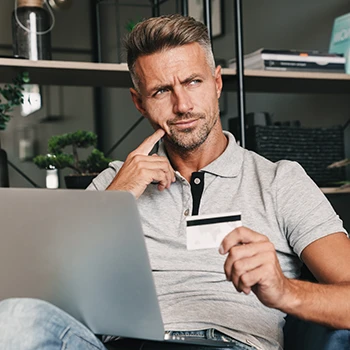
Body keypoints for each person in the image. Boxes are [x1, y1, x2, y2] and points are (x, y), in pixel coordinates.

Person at [0, 14, 349, 350]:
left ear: (217, 82)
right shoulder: (113, 183)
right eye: (161, 91)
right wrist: (117, 198)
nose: (182, 105)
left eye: (193, 82)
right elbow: (45, 296)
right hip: (119, 345)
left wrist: (285, 290)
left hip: (228, 343)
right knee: (14, 316)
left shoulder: (279, 182)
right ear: (139, 102)